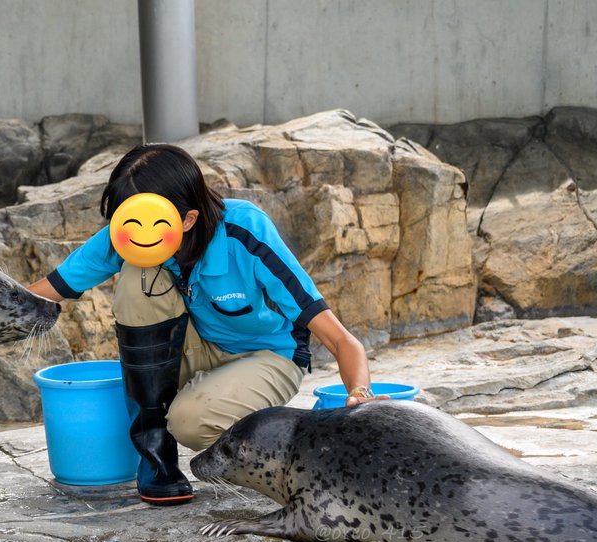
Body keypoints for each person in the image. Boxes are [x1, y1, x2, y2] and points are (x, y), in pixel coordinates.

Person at [28, 143, 380, 507]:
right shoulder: (134, 237)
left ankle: (279, 443)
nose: (133, 232)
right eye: (124, 219)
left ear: (188, 219)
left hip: (266, 357)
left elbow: (340, 339)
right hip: (195, 347)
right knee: (138, 275)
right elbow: (42, 293)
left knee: (189, 422)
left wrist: (361, 396)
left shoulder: (245, 230)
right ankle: (156, 459)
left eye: (147, 219)